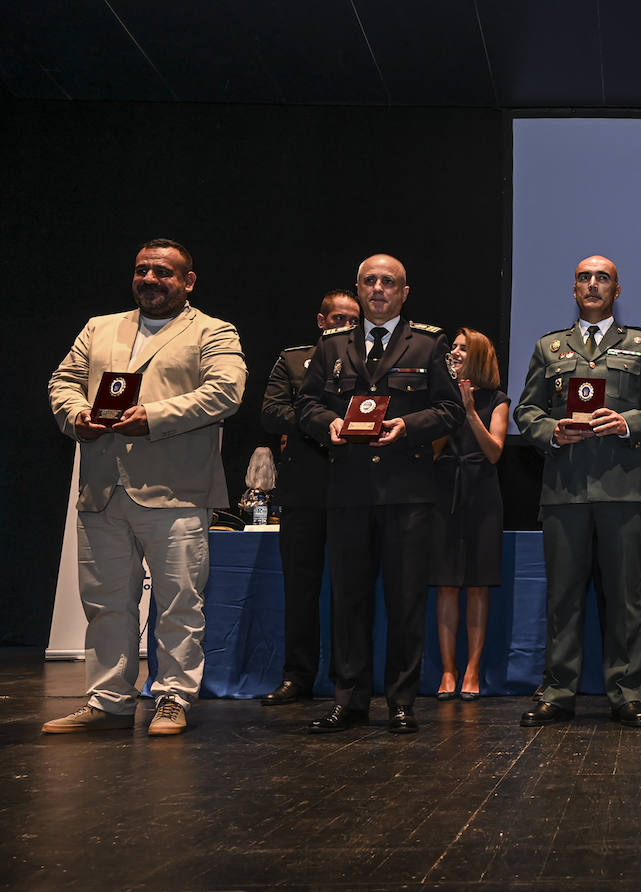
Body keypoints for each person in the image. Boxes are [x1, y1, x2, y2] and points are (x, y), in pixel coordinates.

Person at [45, 238, 247, 736]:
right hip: (102, 488)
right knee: (106, 601)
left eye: (163, 272)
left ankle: (174, 697)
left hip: (174, 492)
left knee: (180, 600)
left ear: (188, 281)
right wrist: (75, 415)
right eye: (142, 271)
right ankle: (109, 700)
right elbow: (62, 381)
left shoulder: (212, 331)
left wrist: (153, 418)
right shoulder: (100, 327)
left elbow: (226, 391)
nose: (150, 279)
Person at [296, 254, 461, 735]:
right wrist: (329, 424)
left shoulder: (429, 344)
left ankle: (402, 701)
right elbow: (305, 403)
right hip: (348, 491)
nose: (378, 289)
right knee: (347, 600)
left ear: (404, 292)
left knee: (406, 601)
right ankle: (348, 700)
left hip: (406, 494)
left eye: (389, 282)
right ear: (358, 288)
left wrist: (406, 426)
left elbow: (450, 409)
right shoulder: (332, 345)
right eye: (369, 281)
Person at [514, 255, 641, 728]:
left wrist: (627, 422)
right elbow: (527, 411)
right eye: (584, 278)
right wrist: (551, 431)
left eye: (602, 278)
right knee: (562, 598)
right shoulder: (550, 347)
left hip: (622, 491)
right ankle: (558, 691)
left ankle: (626, 693)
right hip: (564, 489)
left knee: (624, 598)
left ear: (617, 291)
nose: (592, 284)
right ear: (573, 289)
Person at [258, 289, 361, 706]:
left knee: (349, 588)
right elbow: (269, 412)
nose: (345, 326)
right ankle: (297, 675)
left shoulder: (368, 361)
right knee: (300, 588)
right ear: (321, 322)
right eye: (338, 319)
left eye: (352, 320)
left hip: (353, 487)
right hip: (303, 488)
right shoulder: (293, 360)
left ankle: (346, 677)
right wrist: (322, 423)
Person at [430, 327, 509, 701]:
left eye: (463, 348)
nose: (455, 352)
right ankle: (448, 670)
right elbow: (430, 450)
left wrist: (470, 410)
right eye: (454, 348)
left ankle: (473, 670)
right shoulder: (439, 396)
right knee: (445, 584)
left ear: (478, 355)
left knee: (477, 585)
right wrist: (450, 406)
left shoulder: (497, 399)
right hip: (444, 489)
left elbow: (495, 451)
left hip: (482, 492)